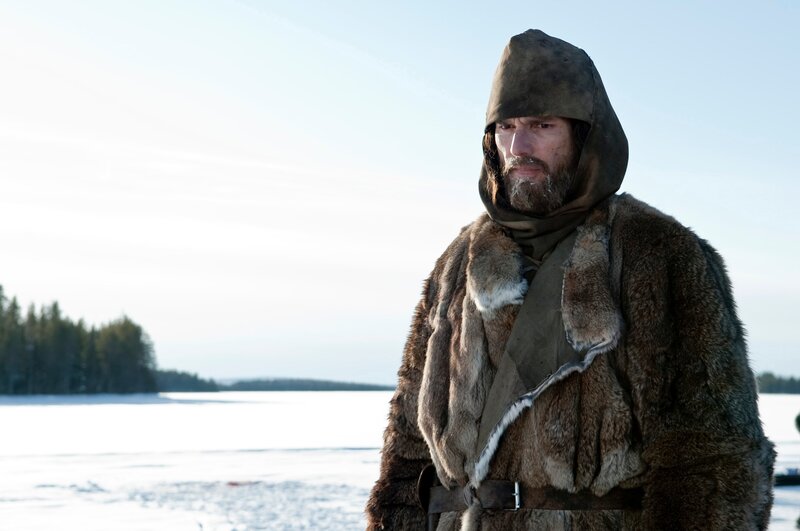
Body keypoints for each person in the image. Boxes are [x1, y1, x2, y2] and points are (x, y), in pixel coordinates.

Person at [366, 29, 775, 530]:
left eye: (541, 125)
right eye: (506, 126)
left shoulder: (658, 255)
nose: (519, 145)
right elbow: (408, 451)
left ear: (584, 136)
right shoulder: (458, 264)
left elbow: (713, 459)